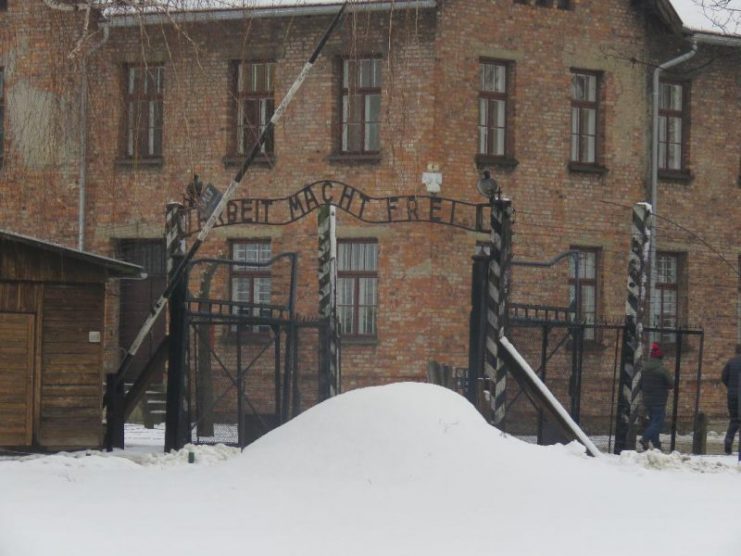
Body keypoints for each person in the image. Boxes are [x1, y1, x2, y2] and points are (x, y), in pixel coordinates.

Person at [639, 342, 673, 451]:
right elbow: (671, 384)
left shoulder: (644, 369)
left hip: (647, 400)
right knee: (657, 423)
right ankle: (645, 438)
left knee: (653, 422)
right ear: (660, 357)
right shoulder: (662, 370)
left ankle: (657, 445)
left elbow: (640, 385)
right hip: (659, 401)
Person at [721, 344, 741, 455]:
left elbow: (724, 377)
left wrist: (731, 387)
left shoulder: (730, 362)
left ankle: (728, 441)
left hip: (732, 395)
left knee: (734, 419)